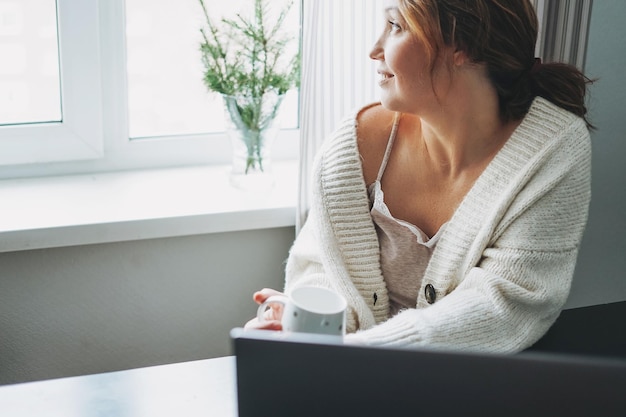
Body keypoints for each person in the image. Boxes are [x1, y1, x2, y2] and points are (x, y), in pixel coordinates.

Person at [245, 0, 593, 353]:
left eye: (395, 26)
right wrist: (301, 322)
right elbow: (323, 267)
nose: (374, 50)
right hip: (347, 379)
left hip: (476, 388)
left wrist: (356, 354)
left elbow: (504, 306)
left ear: (460, 45)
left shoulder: (551, 151)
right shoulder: (355, 146)